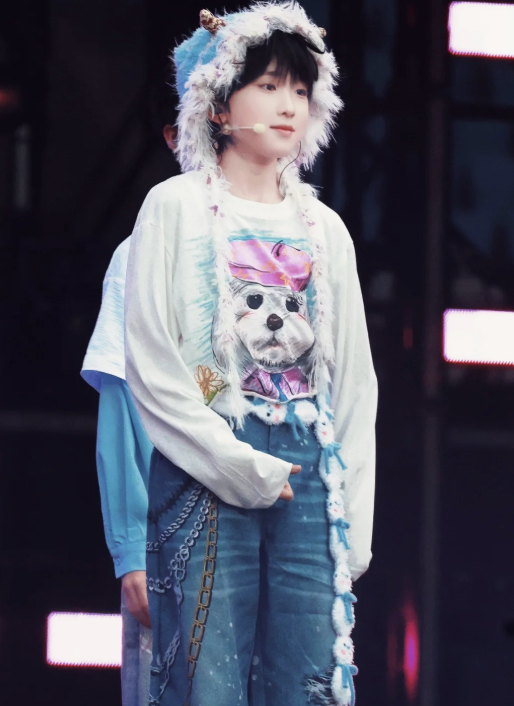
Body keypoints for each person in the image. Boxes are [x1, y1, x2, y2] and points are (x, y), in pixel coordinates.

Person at [125, 4, 378, 706]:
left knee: (309, 682)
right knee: (206, 682)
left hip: (309, 468)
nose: (288, 104)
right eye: (267, 86)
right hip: (209, 461)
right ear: (217, 104)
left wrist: (353, 516)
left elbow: (355, 383)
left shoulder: (325, 228)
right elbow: (151, 365)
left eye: (299, 89)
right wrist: (238, 465)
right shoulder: (171, 207)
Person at [81, 99, 178, 706]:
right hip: (170, 534)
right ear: (174, 135)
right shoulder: (140, 252)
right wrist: (131, 548)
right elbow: (122, 403)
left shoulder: (304, 241)